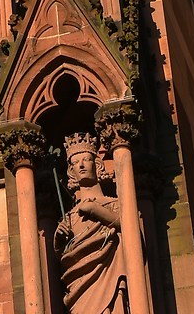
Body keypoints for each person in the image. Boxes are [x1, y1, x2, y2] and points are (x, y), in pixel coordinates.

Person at [55, 133, 127, 313]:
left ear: (97, 165)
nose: (81, 165)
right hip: (81, 289)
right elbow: (66, 258)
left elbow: (132, 232)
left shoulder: (114, 204)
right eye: (75, 163)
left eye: (86, 159)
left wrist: (97, 211)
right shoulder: (69, 217)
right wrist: (58, 242)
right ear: (71, 172)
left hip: (110, 275)